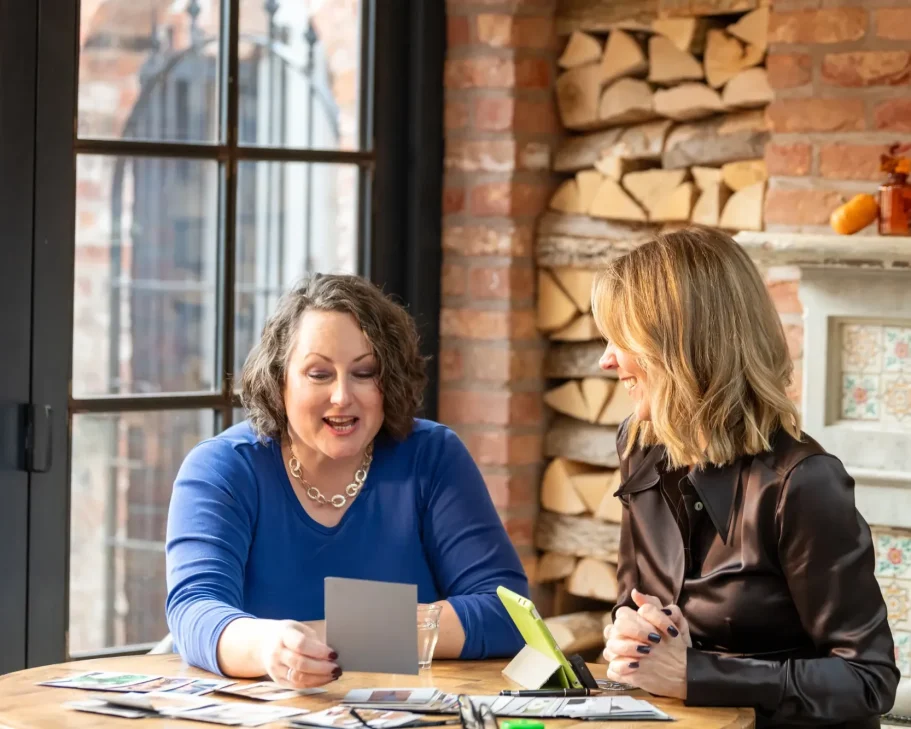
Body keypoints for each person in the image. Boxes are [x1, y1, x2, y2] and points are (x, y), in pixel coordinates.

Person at [594, 228, 899, 729]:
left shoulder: (800, 484)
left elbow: (869, 680)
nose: (606, 359)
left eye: (621, 339)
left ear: (683, 346)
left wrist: (698, 674)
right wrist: (635, 634)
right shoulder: (640, 445)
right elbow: (631, 604)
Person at [165, 273, 528, 688]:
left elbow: (509, 615)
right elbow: (194, 611)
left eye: (365, 372)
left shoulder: (433, 455)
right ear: (279, 379)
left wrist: (322, 635)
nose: (342, 396)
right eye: (319, 374)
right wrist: (271, 646)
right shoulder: (220, 470)